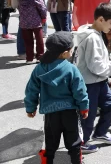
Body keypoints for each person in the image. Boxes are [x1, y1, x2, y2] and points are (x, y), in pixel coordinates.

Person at [24, 31, 89, 164]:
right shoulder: (71, 69)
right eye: (71, 50)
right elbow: (80, 91)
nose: (72, 52)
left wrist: (30, 107)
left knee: (51, 140)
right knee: (73, 140)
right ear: (64, 53)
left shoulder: (39, 68)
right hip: (69, 112)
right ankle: (76, 161)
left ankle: (49, 161)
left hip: (50, 113)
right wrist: (84, 107)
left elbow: (32, 89)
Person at [75, 3, 111, 153]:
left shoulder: (95, 33)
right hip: (90, 83)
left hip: (99, 80)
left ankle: (100, 133)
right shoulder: (92, 38)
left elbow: (96, 61)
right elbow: (94, 65)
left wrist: (108, 63)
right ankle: (82, 142)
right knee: (88, 114)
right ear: (101, 19)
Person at [19, 0, 47, 64]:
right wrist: (43, 18)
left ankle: (29, 58)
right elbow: (43, 9)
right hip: (36, 22)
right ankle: (40, 56)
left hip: (24, 22)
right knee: (39, 40)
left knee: (28, 41)